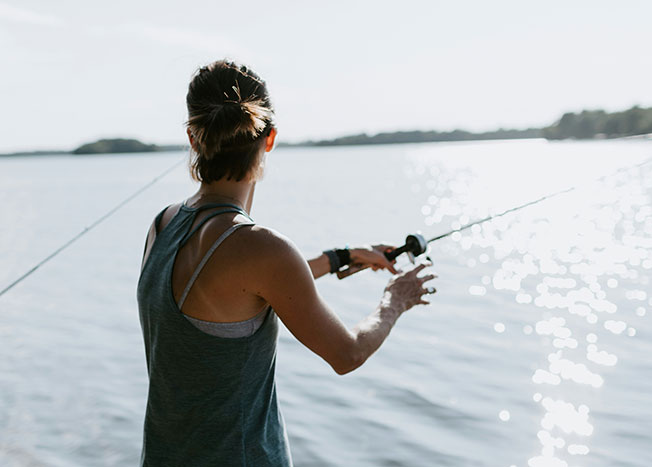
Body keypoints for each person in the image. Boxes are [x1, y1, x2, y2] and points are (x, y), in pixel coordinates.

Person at [136, 59, 436, 467]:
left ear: (193, 137)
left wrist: (340, 258)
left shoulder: (163, 226)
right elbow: (346, 355)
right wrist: (395, 300)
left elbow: (233, 293)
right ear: (270, 137)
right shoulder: (262, 250)